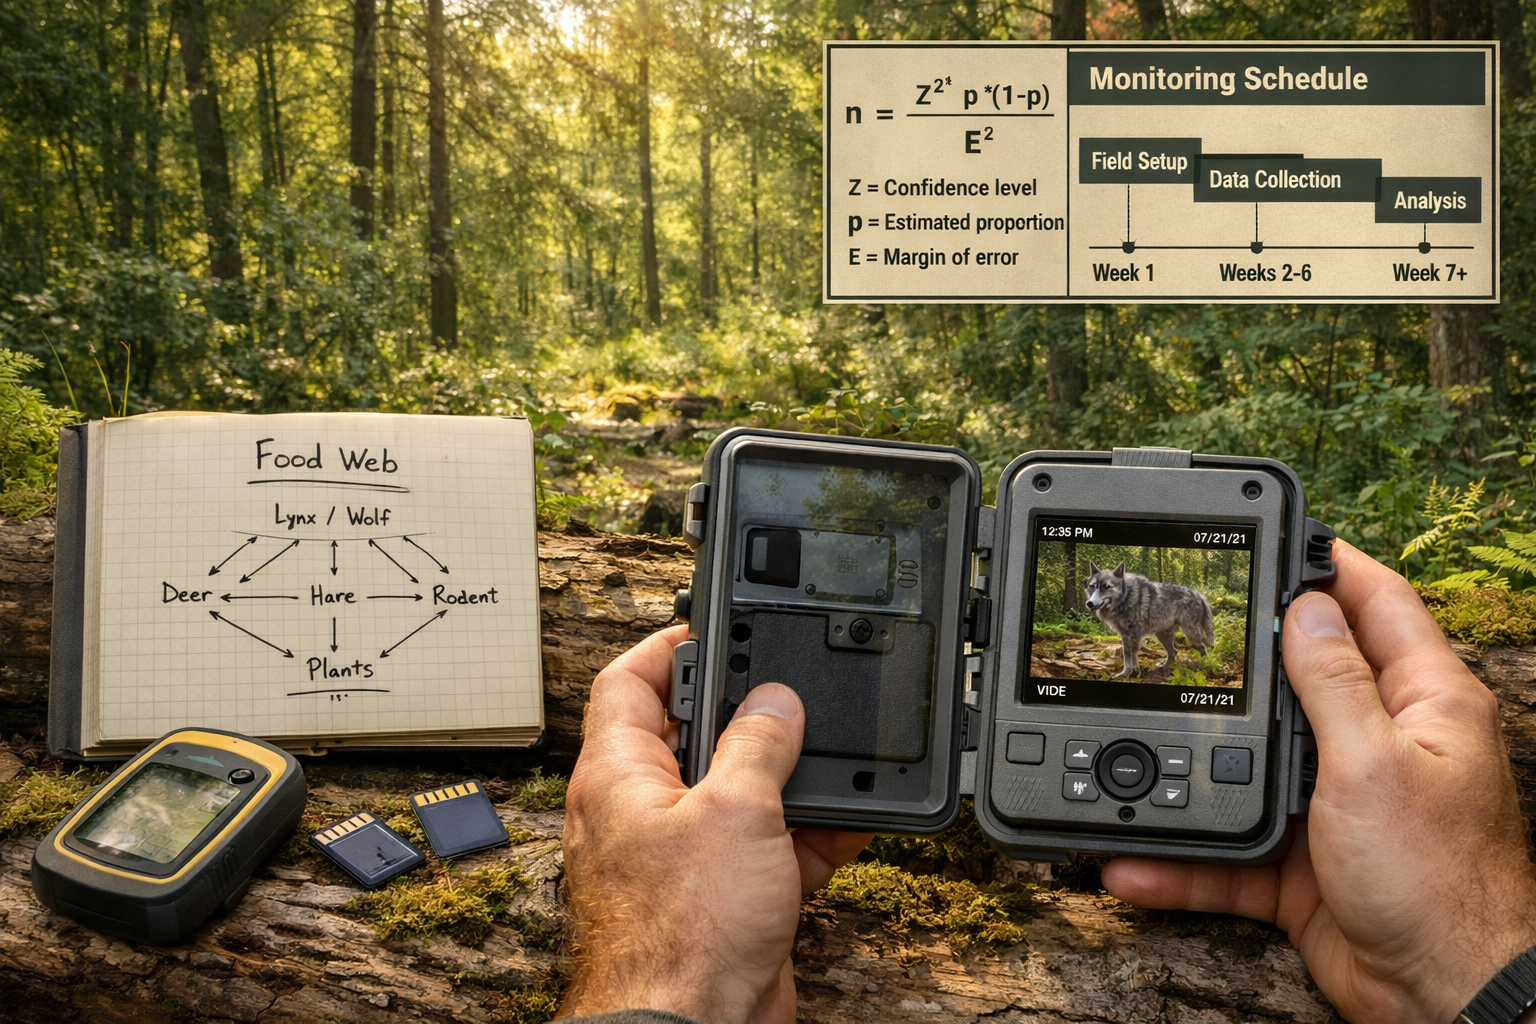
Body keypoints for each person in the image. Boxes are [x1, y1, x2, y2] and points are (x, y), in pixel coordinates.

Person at [555, 540, 1536, 1024]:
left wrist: (665, 975)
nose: (1108, 598)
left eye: (1110, 592)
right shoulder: (1115, 600)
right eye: (1102, 592)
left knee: (1177, 645)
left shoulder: (1166, 600)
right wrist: (1469, 965)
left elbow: (1156, 626)